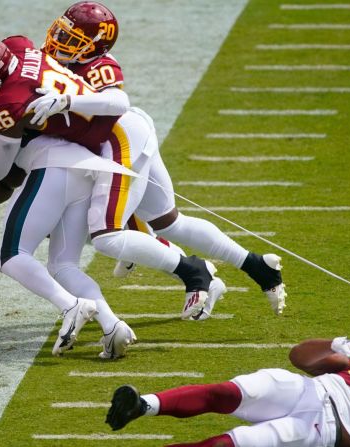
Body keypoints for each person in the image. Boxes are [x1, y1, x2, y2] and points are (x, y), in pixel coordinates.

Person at [34, 1, 287, 316]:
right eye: (61, 32)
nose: (60, 41)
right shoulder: (42, 60)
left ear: (94, 47)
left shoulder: (100, 64)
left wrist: (68, 100)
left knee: (106, 234)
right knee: (169, 222)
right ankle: (256, 265)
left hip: (120, 138)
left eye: (72, 39)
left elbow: (117, 100)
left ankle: (194, 271)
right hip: (123, 138)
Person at [0, 35, 225, 321]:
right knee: (130, 228)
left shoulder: (5, 106)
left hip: (104, 143)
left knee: (108, 234)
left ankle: (195, 271)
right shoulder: (19, 48)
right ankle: (183, 280)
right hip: (91, 147)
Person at [0, 71, 140, 358]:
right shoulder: (13, 94)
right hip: (84, 166)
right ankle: (111, 325)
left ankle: (72, 306)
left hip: (50, 167)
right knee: (63, 265)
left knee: (10, 256)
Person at [105, 326, 350, 447]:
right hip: (310, 390)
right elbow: (301, 357)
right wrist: (336, 345)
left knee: (233, 442)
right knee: (228, 392)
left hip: (327, 430)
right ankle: (144, 405)